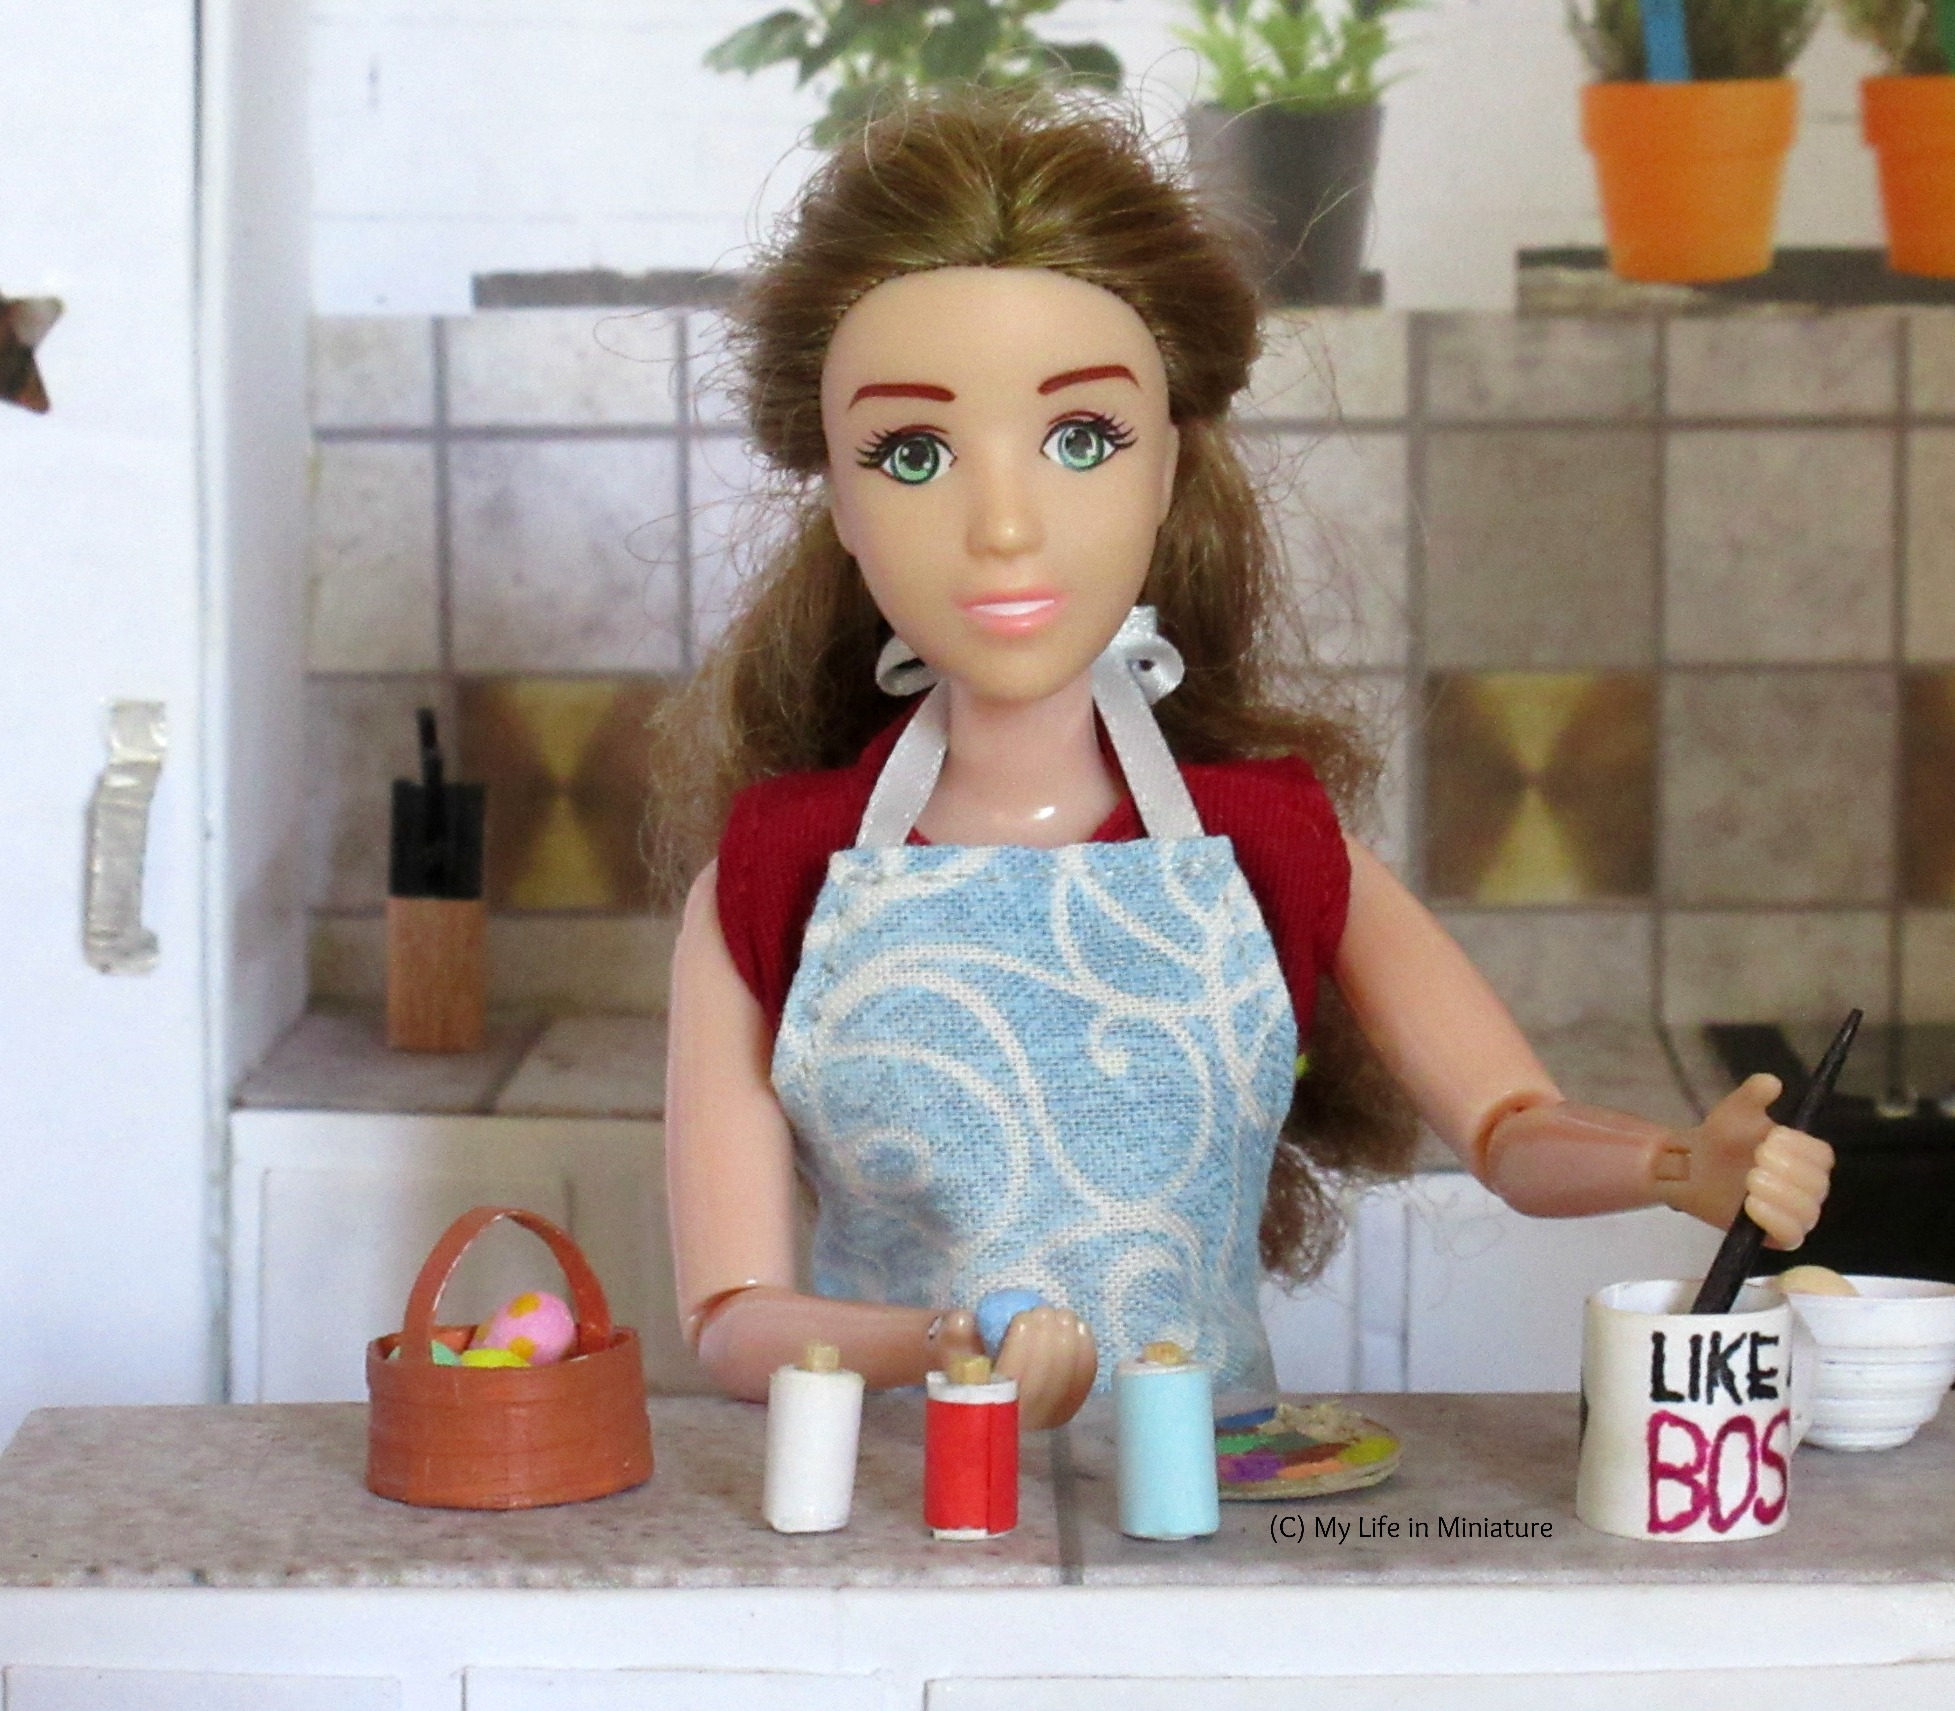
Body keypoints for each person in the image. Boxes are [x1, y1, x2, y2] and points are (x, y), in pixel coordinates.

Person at [657, 93, 1832, 1432]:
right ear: (841, 498)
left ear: (1168, 466)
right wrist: (942, 1343)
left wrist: (1677, 1162)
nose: (1002, 524)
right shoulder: (772, 879)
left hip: (1213, 1515)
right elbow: (732, 1316)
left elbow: (1508, 1126)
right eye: (913, 452)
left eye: (1081, 438)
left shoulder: (1266, 842)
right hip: (890, 1521)